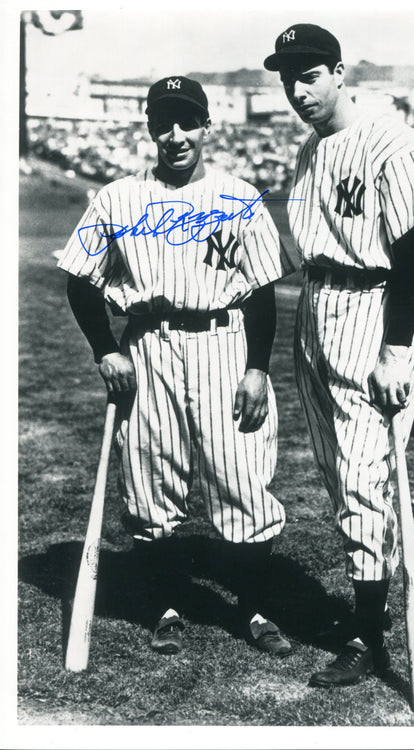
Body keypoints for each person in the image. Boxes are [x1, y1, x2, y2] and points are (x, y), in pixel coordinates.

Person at [57, 76, 297, 657]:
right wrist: (104, 349)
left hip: (224, 343)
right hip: (148, 347)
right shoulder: (116, 197)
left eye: (187, 121)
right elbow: (78, 279)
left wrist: (258, 368)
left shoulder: (239, 195)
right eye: (164, 122)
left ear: (206, 127)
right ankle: (165, 603)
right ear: (149, 129)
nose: (176, 134)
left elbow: (262, 291)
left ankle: (257, 607)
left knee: (241, 475)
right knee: (149, 480)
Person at [263, 24, 414, 687]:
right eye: (287, 77)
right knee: (341, 480)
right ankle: (375, 605)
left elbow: (413, 256)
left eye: (308, 74)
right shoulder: (310, 150)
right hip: (316, 309)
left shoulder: (395, 145)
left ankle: (369, 639)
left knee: (366, 481)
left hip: (373, 311)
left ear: (340, 72)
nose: (296, 88)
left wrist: (396, 350)